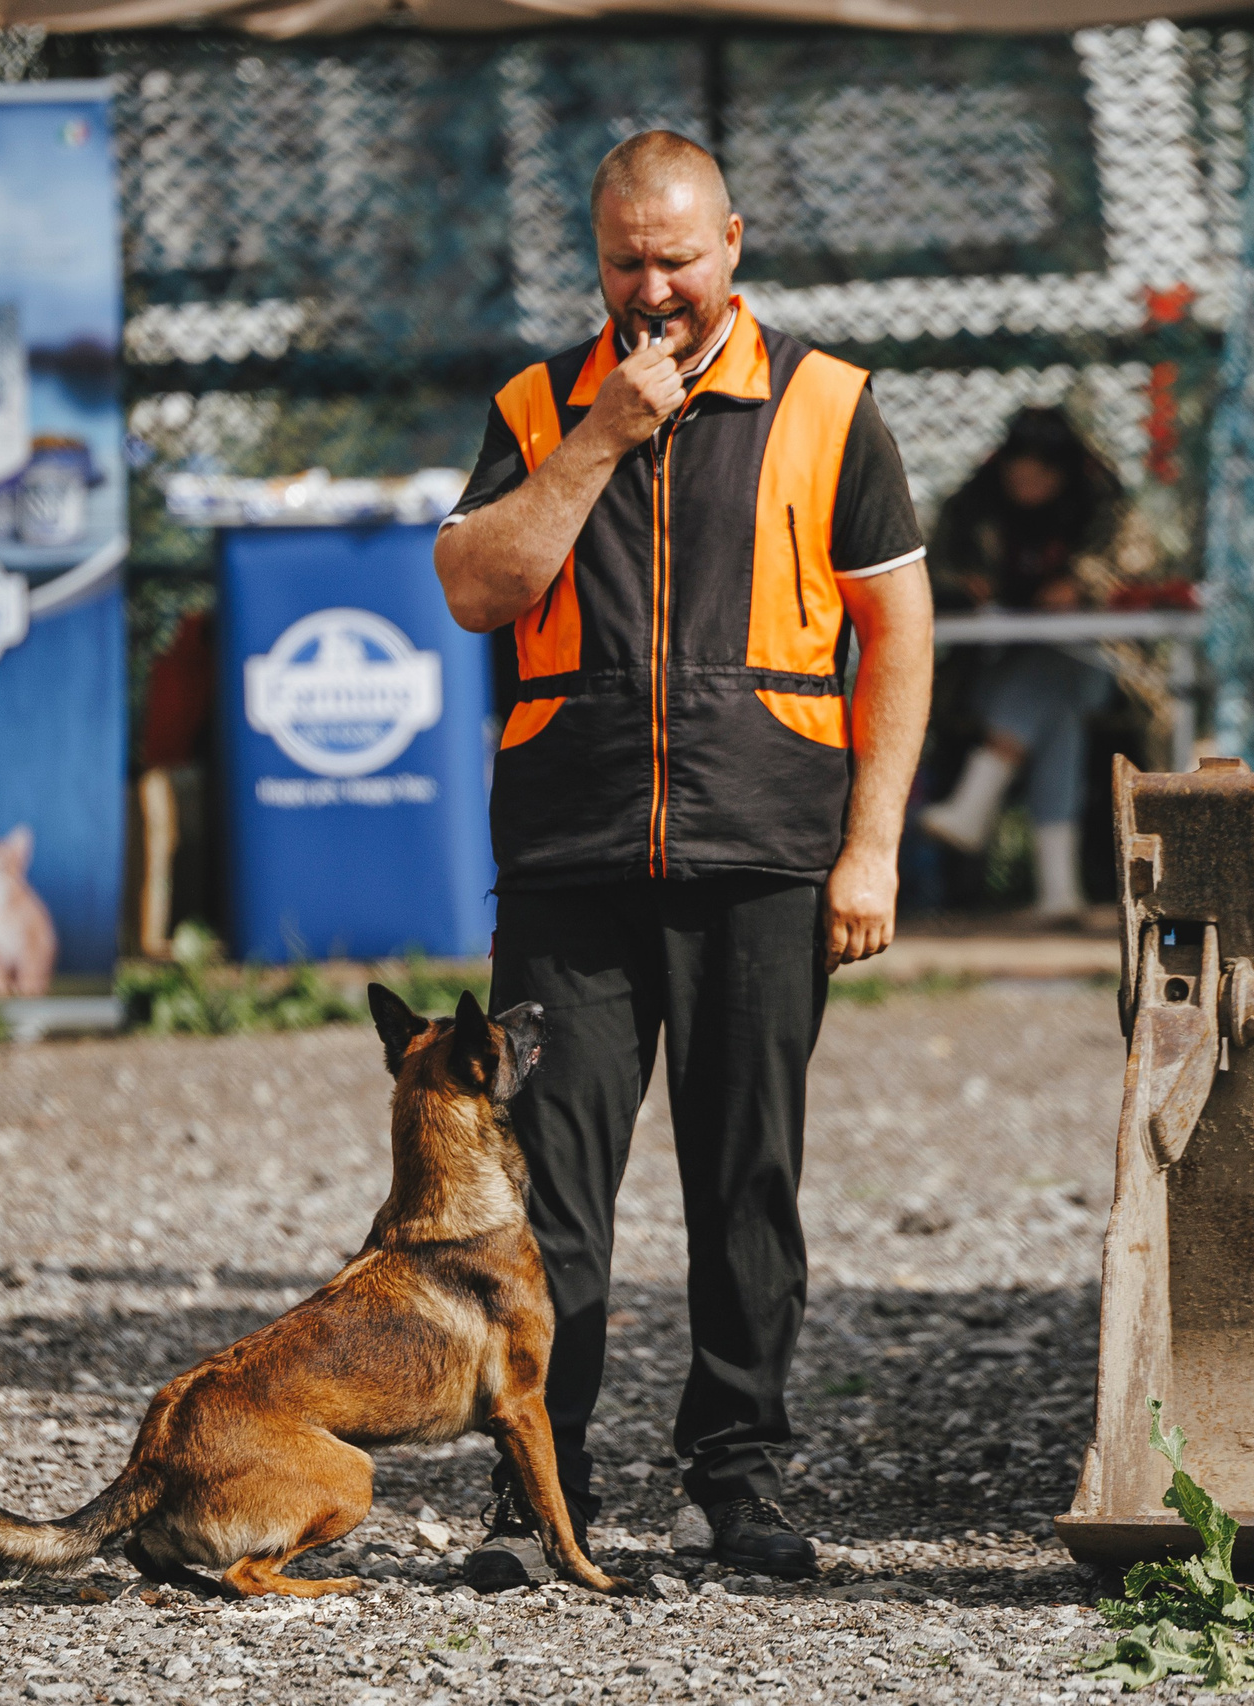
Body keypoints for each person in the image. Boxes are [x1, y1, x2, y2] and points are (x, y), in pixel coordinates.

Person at [434, 131, 932, 1589]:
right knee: (548, 1195)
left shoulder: (829, 406)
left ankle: (740, 1472)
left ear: (732, 244)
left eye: (675, 260)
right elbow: (475, 588)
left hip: (763, 851)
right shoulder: (539, 405)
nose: (651, 291)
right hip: (571, 860)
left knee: (745, 1182)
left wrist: (870, 849)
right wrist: (599, 436)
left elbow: (898, 634)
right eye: (623, 264)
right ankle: (541, 1489)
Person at [914, 406, 1123, 919]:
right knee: (1057, 712)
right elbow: (930, 573)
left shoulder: (1102, 508)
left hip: (1095, 666)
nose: (1026, 486)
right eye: (1018, 474)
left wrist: (1083, 585)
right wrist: (965, 587)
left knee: (1056, 669)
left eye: (1040, 476)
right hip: (989, 671)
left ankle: (974, 805)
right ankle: (1059, 892)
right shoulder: (970, 508)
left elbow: (1132, 569)